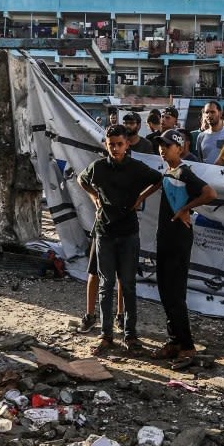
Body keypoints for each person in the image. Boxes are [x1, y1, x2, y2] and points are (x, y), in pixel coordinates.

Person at [78, 125, 162, 355]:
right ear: (105, 144)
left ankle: (130, 335)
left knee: (128, 285)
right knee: (105, 284)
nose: (115, 148)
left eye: (119, 144)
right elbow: (81, 179)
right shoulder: (98, 167)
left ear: (127, 145)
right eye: (111, 144)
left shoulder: (136, 168)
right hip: (105, 232)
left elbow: (158, 179)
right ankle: (106, 336)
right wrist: (94, 197)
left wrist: (141, 197)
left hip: (128, 233)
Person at [137, 130, 217, 360]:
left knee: (174, 294)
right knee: (165, 291)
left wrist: (184, 209)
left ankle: (188, 346)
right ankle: (174, 341)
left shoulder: (183, 171)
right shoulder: (170, 172)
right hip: (166, 238)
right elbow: (159, 184)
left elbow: (210, 193)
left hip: (178, 240)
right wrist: (140, 198)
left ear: (179, 148)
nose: (162, 149)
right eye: (160, 145)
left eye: (168, 145)